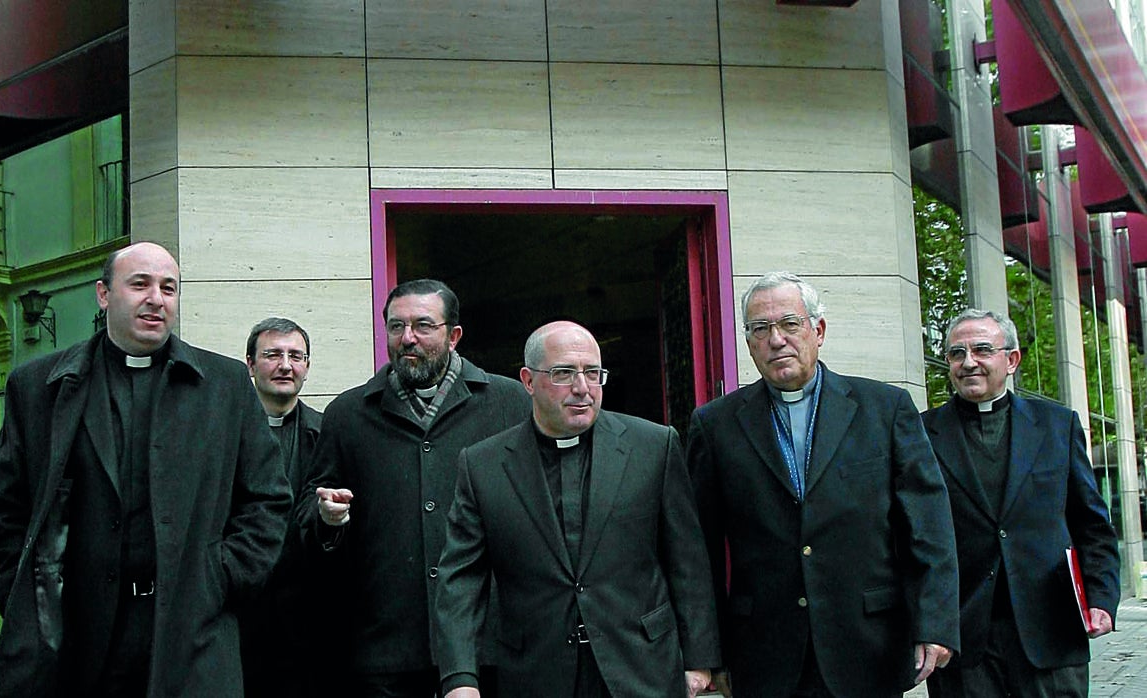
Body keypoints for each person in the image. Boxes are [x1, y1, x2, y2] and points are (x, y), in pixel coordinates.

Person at [0, 242, 290, 698]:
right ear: (104, 294)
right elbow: (3, 509)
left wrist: (216, 579)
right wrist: (31, 595)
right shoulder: (38, 387)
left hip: (188, 632)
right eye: (139, 284)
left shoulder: (224, 387)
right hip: (75, 639)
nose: (156, 299)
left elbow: (268, 500)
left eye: (169, 288)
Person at [687, 271, 960, 697]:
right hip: (763, 653)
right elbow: (697, 550)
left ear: (819, 330)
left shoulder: (884, 409)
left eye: (790, 324)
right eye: (760, 329)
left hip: (869, 644)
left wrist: (936, 623)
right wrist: (706, 651)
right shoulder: (715, 425)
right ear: (748, 343)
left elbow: (928, 527)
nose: (776, 339)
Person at [434, 321, 720, 698]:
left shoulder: (654, 447)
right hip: (537, 672)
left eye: (592, 373)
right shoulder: (483, 465)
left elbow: (687, 561)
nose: (582, 388)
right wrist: (460, 678)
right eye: (564, 373)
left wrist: (699, 659)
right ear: (528, 380)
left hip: (642, 668)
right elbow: (460, 580)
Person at [295, 278, 531, 697]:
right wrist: (327, 517)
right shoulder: (348, 414)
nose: (408, 338)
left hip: (487, 643)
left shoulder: (508, 403)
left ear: (453, 335)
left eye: (423, 326)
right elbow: (308, 513)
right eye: (396, 326)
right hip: (385, 647)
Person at [923, 309, 1120, 698]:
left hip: (1052, 631)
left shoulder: (1057, 425)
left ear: (1011, 360)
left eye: (982, 350)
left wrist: (1101, 597)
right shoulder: (921, 433)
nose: (968, 362)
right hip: (964, 638)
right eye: (956, 353)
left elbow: (1091, 524)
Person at [238, 317, 342, 697]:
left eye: (296, 356)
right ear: (250, 364)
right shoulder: (225, 431)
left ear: (307, 367)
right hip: (241, 613)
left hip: (309, 616)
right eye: (273, 355)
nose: (286, 365)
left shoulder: (330, 432)